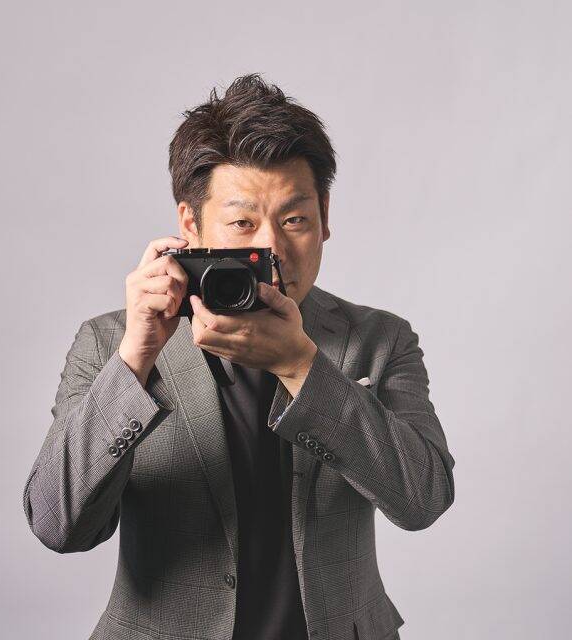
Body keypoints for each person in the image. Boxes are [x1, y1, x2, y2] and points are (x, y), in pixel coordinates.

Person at [23, 73, 455, 640]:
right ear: (190, 224)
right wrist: (136, 357)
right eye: (242, 223)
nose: (271, 247)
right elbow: (57, 524)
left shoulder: (379, 339)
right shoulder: (112, 342)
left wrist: (302, 367)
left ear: (325, 217)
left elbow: (423, 500)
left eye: (294, 220)